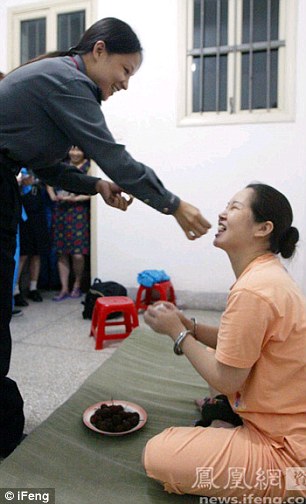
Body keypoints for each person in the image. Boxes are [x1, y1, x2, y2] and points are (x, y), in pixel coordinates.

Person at [0, 17, 210, 456]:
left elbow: (47, 167)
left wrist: (95, 186)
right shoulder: (68, 81)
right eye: (125, 71)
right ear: (98, 51)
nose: (125, 84)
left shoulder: (60, 79)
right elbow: (113, 156)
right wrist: (174, 204)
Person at [142, 183, 306, 501]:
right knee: (213, 349)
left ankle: (241, 440)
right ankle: (227, 424)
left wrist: (177, 333)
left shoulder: (254, 289)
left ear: (263, 228)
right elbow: (237, 344)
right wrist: (190, 325)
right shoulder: (264, 275)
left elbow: (226, 380)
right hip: (281, 417)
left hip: (287, 452)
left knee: (158, 455)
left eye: (234, 207)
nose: (221, 213)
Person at [47, 146, 91, 301]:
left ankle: (77, 285)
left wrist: (75, 198)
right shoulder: (62, 164)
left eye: (79, 150)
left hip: (78, 212)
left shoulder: (89, 167)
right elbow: (49, 181)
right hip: (61, 211)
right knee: (61, 251)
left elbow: (93, 192)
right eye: (72, 150)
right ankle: (64, 288)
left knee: (78, 253)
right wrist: (52, 195)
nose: (75, 153)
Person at [14, 169, 50, 306]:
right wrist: (20, 182)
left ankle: (33, 287)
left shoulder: (37, 168)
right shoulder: (17, 168)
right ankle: (15, 290)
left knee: (37, 254)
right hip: (22, 219)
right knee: (22, 255)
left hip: (38, 218)